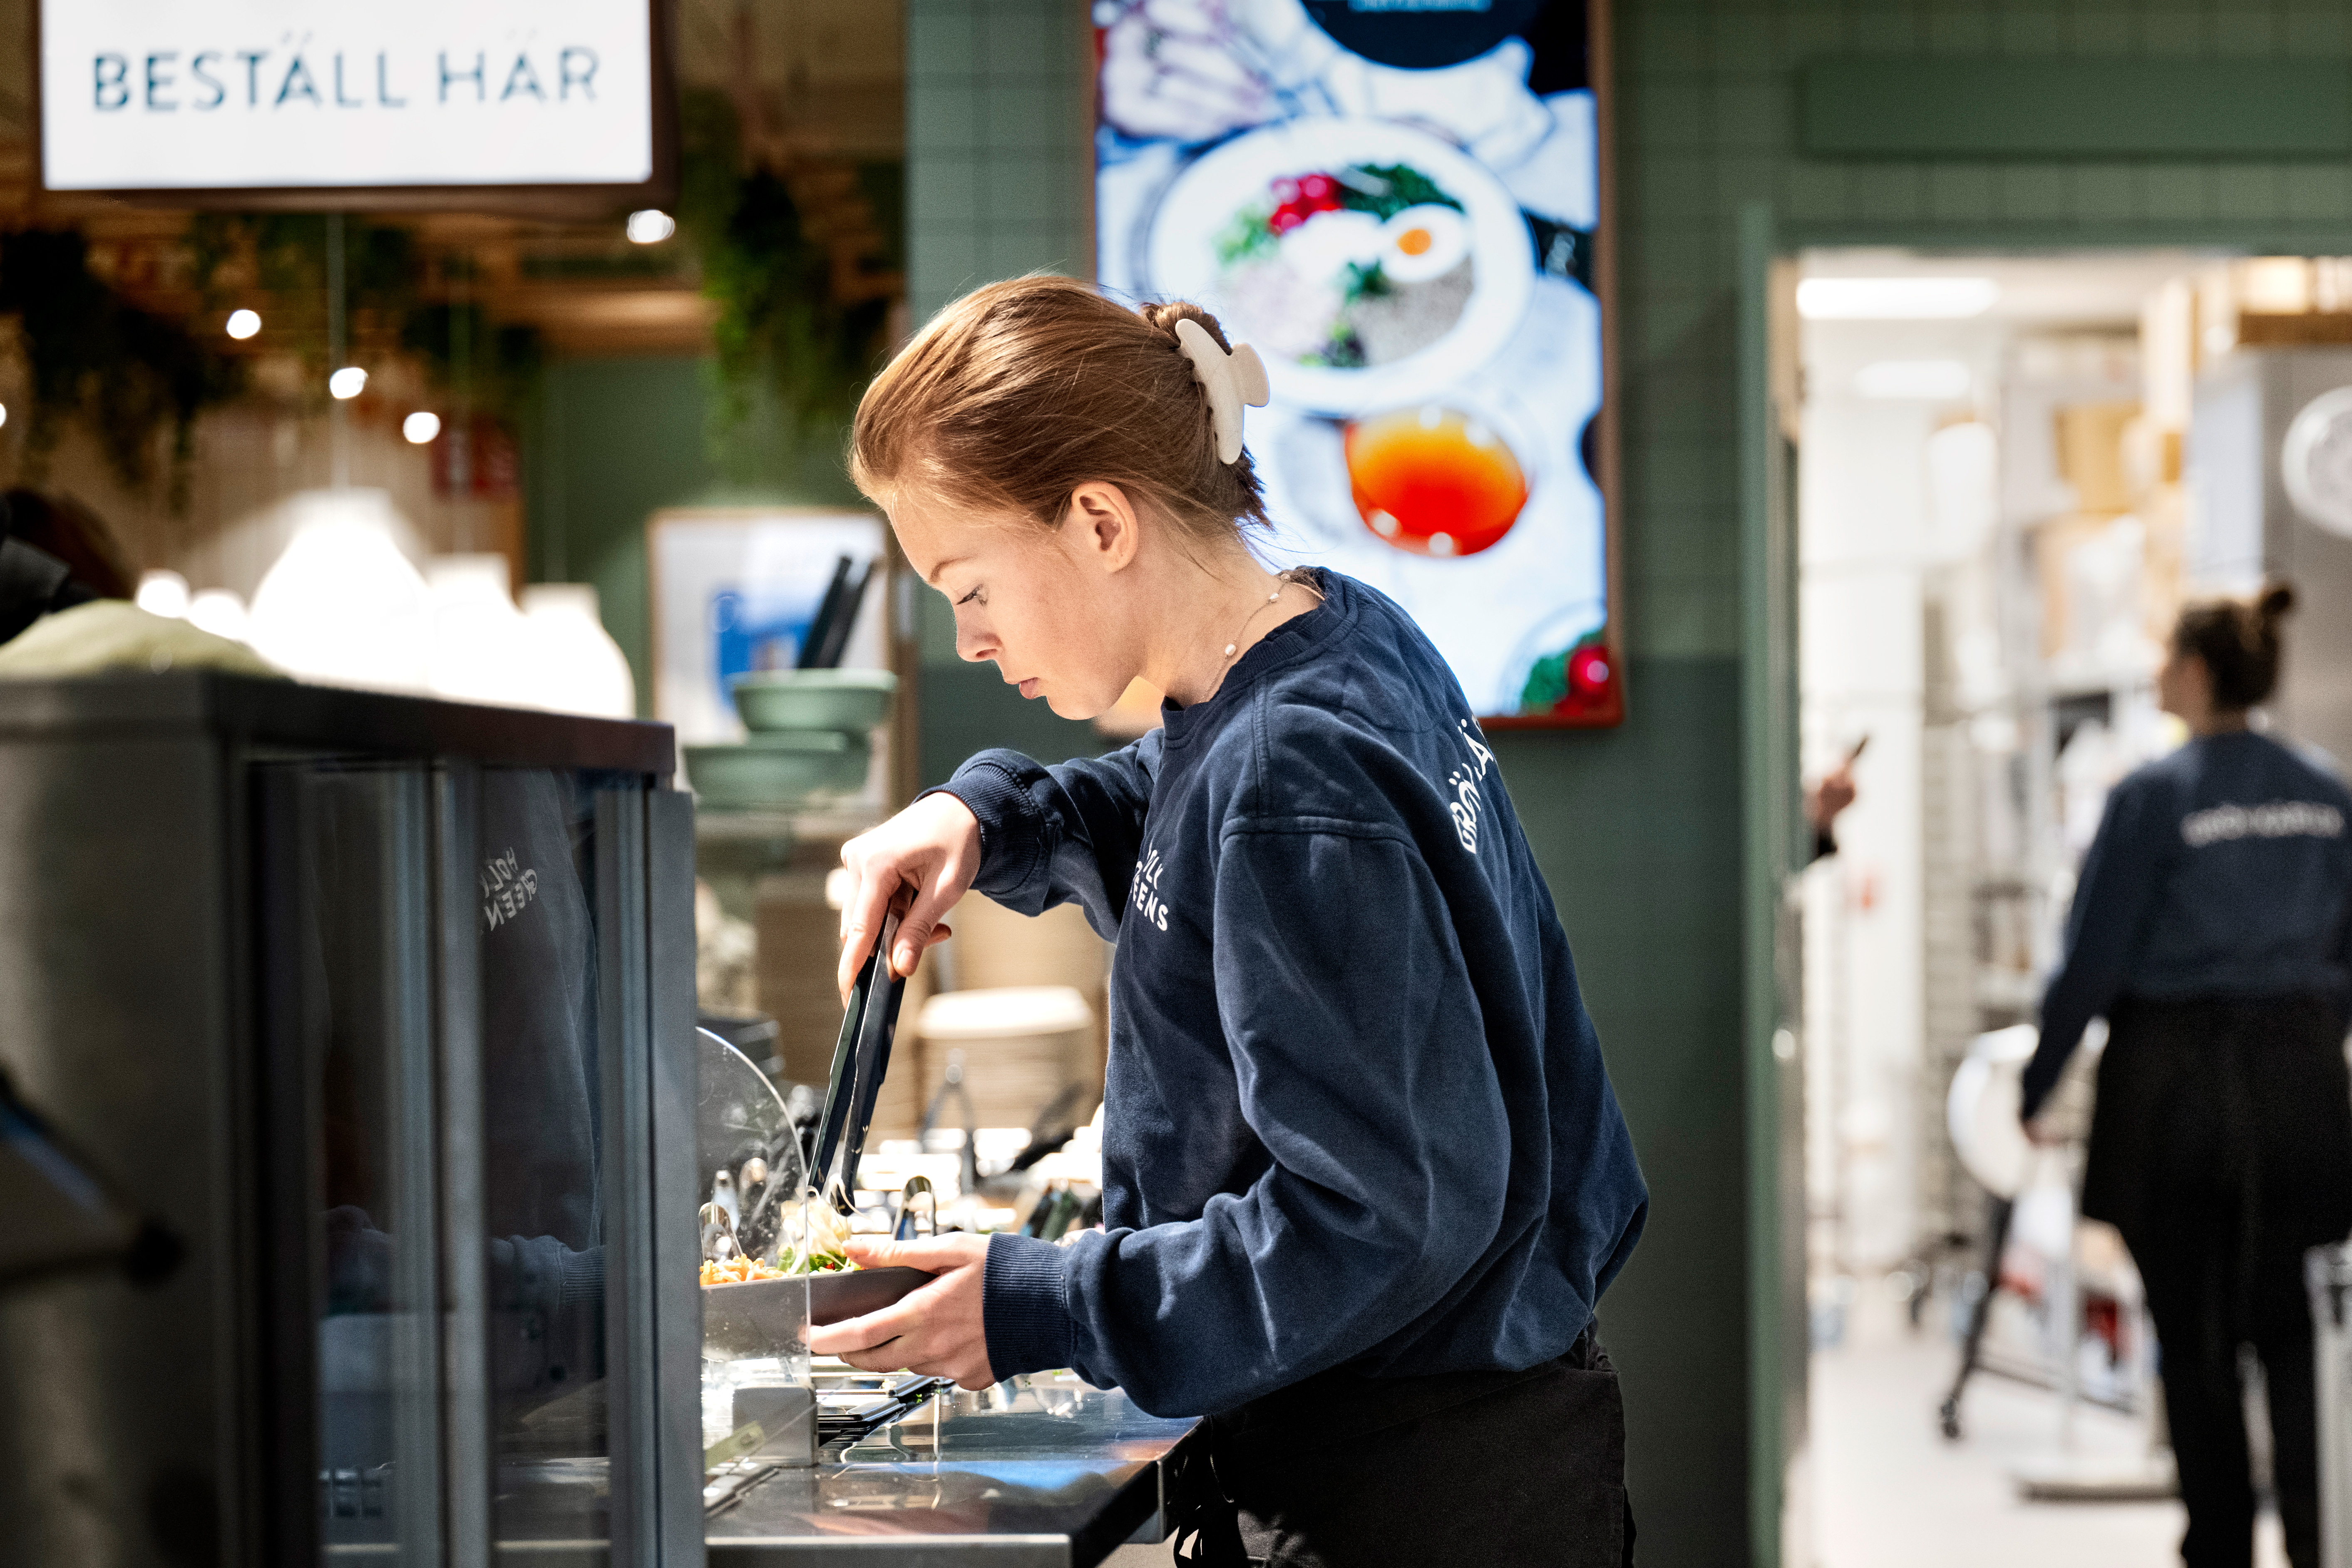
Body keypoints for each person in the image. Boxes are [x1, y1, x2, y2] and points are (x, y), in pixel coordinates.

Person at [805, 276, 1649, 1568]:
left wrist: (1045, 1301)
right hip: (1469, 1438)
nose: (969, 639)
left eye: (968, 587)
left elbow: (1382, 1219)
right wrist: (988, 820)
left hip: (1416, 1494)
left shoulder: (1289, 775)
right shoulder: (1334, 639)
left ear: (1096, 521)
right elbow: (1173, 798)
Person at [2019, 584, 2352, 1568]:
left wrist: (2037, 1087)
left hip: (2175, 1099)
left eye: (2167, 657)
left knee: (2197, 1340)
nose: (2160, 672)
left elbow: (2092, 959)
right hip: (2303, 1094)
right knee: (2299, 1340)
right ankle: (2319, 1537)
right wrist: (2309, 1027)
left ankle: (2219, 1546)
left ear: (2198, 673)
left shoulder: (2153, 797)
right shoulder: (2329, 794)